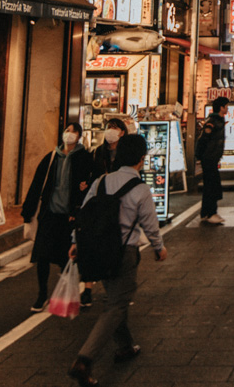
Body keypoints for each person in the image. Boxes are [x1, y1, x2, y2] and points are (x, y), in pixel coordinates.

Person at [66, 133, 167, 387]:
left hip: (98, 250)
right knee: (117, 305)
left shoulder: (101, 181)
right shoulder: (141, 189)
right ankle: (84, 360)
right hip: (124, 252)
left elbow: (84, 216)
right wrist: (159, 247)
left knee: (115, 299)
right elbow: (150, 225)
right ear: (141, 159)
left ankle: (125, 346)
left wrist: (75, 243)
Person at [22, 122, 92, 312]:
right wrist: (27, 212)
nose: (68, 134)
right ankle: (42, 294)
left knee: (67, 258)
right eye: (66, 131)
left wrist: (79, 206)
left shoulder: (84, 158)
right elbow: (37, 184)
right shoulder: (52, 157)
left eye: (72, 132)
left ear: (79, 136)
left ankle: (69, 294)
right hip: (49, 214)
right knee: (42, 256)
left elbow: (91, 183)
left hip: (69, 217)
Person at [196, 98, 228, 226]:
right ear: (221, 108)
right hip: (209, 158)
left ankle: (205, 213)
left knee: (210, 185)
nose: (227, 108)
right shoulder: (212, 122)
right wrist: (201, 156)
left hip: (211, 158)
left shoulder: (217, 121)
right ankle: (211, 213)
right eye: (226, 106)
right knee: (212, 185)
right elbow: (204, 139)